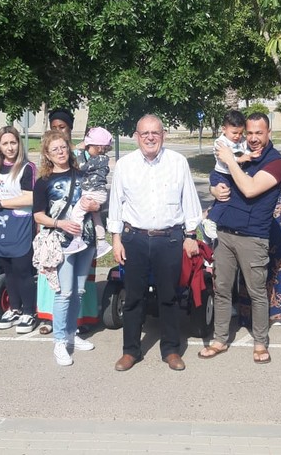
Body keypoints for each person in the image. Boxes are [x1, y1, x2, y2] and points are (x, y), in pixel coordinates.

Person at [108, 114, 202, 372]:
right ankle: (130, 351)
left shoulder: (178, 162)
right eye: (145, 133)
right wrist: (116, 239)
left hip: (169, 239)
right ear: (136, 137)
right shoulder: (125, 165)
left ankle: (171, 350)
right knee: (133, 298)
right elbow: (116, 204)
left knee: (169, 297)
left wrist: (191, 236)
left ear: (163, 135)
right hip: (134, 239)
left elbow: (189, 200)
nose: (150, 137)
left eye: (155, 133)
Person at [198, 112, 281, 365]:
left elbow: (249, 189)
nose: (253, 138)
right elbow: (220, 178)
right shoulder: (238, 152)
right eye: (249, 133)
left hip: (253, 237)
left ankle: (260, 343)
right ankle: (220, 339)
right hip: (225, 232)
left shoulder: (276, 162)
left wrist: (232, 161)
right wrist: (214, 188)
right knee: (222, 288)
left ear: (269, 133)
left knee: (257, 292)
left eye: (259, 133)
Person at [32, 130, 100, 366]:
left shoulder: (83, 174)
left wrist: (95, 205)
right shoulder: (43, 182)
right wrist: (60, 223)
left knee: (79, 290)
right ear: (47, 155)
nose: (60, 152)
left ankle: (72, 332)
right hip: (62, 243)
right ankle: (60, 341)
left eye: (63, 147)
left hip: (87, 239)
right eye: (55, 150)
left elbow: (97, 201)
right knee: (65, 292)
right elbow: (39, 216)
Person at [0, 126, 39, 334]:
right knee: (8, 270)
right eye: (5, 143)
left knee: (22, 270)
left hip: (21, 225)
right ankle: (14, 308)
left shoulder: (27, 168)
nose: (10, 147)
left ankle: (28, 311)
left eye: (13, 142)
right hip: (0, 227)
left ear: (19, 143)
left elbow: (30, 198)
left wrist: (0, 203)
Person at [61, 126, 112, 258]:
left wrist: (79, 149)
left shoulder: (98, 159)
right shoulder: (103, 159)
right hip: (98, 193)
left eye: (89, 147)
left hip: (93, 192)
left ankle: (77, 240)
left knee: (76, 214)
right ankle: (102, 242)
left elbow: (82, 166)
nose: (87, 150)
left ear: (98, 147)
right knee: (96, 217)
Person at [201, 111, 253, 238]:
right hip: (220, 174)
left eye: (241, 133)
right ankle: (210, 220)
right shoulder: (220, 142)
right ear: (224, 129)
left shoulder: (242, 141)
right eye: (234, 133)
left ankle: (209, 216)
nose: (237, 136)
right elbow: (224, 157)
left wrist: (251, 154)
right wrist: (240, 159)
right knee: (224, 199)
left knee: (224, 199)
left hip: (231, 175)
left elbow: (247, 150)